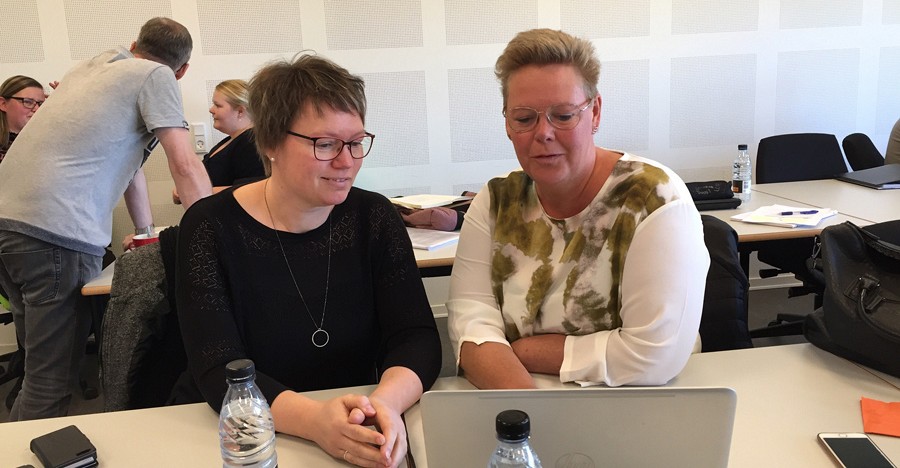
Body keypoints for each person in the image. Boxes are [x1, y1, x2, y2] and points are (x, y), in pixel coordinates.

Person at [175, 53, 441, 468]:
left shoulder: (373, 216)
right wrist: (316, 422)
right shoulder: (210, 226)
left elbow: (416, 337)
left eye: (355, 142)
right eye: (325, 144)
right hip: (246, 435)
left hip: (357, 420)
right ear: (270, 142)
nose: (346, 161)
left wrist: (384, 405)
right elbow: (218, 367)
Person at [447, 29, 709, 389]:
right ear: (507, 123)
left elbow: (652, 357)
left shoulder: (653, 199)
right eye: (524, 119)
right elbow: (471, 326)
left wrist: (521, 351)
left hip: (638, 403)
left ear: (595, 112)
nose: (543, 133)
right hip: (520, 401)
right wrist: (532, 415)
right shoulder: (495, 201)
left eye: (563, 115)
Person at [0, 17, 212, 421]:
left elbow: (129, 168)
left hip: (8, 225)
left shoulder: (90, 69)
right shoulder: (156, 75)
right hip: (52, 234)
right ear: (182, 70)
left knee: (36, 374)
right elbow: (185, 164)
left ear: (134, 44)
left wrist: (145, 232)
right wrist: (212, 239)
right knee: (50, 383)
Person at [172, 79, 265, 203]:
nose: (211, 109)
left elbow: (253, 189)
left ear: (240, 111)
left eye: (218, 105)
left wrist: (193, 192)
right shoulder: (230, 141)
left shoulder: (251, 144)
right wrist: (183, 189)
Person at [0, 75, 45, 163]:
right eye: (28, 102)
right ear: (3, 104)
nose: (37, 109)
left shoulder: (42, 142)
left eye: (41, 104)